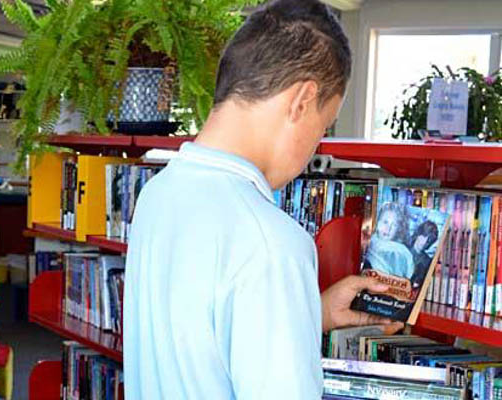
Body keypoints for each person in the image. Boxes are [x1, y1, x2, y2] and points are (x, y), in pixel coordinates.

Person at [123, 0, 402, 399]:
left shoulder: (157, 193)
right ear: (302, 101)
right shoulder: (271, 243)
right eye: (323, 127)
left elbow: (196, 341)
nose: (315, 147)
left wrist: (311, 312)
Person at [365, 203, 415, 279]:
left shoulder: (403, 253)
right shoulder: (366, 243)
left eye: (394, 225)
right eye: (385, 222)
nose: (388, 229)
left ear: (398, 229)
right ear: (378, 222)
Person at [409, 220, 439, 285]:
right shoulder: (403, 248)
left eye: (428, 241)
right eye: (424, 237)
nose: (424, 243)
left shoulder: (427, 262)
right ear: (418, 234)